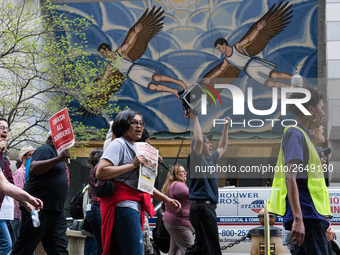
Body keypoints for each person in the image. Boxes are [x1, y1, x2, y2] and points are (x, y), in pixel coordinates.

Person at [96, 109, 181, 255]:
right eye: (134, 122)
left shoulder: (137, 149)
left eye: (141, 123)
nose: (139, 126)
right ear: (123, 125)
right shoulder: (119, 144)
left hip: (131, 207)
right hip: (123, 207)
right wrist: (132, 165)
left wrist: (167, 200)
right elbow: (101, 172)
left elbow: (144, 186)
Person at [269, 86, 331, 255]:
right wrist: (298, 219)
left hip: (311, 215)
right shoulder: (295, 134)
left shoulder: (303, 137)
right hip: (306, 216)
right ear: (310, 109)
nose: (323, 114)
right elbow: (291, 178)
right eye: (322, 108)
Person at [201, 2, 297, 94]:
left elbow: (250, 39)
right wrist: (210, 78)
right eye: (218, 49)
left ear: (224, 44)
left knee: (275, 76)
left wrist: (258, 30)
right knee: (272, 84)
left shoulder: (237, 46)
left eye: (219, 47)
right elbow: (220, 71)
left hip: (253, 64)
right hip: (250, 72)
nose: (219, 50)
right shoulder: (227, 60)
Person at [12, 132, 71, 255]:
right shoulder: (45, 149)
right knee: (25, 248)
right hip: (39, 208)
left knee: (59, 248)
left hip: (56, 211)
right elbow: (33, 167)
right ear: (51, 138)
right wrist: (58, 159)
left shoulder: (59, 154)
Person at [184, 109, 230, 255]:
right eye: (207, 142)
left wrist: (225, 128)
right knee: (212, 248)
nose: (211, 145)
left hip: (206, 209)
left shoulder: (211, 160)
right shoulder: (196, 159)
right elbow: (197, 140)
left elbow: (223, 147)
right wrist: (195, 118)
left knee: (201, 247)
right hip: (202, 208)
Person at [161, 164, 194, 255]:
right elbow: (194, 194)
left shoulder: (171, 185)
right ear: (176, 174)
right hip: (180, 224)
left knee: (175, 252)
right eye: (182, 171)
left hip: (173, 222)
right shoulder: (178, 185)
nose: (185, 173)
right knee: (190, 250)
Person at [12, 145, 35, 244]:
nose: (33, 158)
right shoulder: (19, 173)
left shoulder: (31, 173)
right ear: (23, 157)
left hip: (28, 213)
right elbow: (16, 195)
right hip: (18, 216)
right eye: (31, 155)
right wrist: (21, 214)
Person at [0, 117, 15, 254]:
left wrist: (25, 201)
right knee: (6, 245)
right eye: (1, 127)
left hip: (5, 212)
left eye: (7, 129)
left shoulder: (4, 157)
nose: (5, 131)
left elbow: (10, 182)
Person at [86, 148, 104, 255]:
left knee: (99, 245)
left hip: (92, 209)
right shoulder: (98, 171)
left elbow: (89, 194)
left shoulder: (92, 171)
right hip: (98, 208)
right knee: (101, 246)